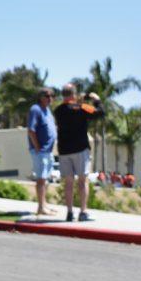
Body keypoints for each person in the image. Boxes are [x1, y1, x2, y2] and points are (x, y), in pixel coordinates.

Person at [53, 85, 104, 222]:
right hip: (80, 149)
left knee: (68, 183)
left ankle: (69, 213)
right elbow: (99, 112)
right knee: (82, 181)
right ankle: (83, 212)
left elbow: (69, 108)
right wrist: (96, 100)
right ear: (74, 94)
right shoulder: (81, 107)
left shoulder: (57, 110)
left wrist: (79, 101)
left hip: (64, 151)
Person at [26, 87, 57, 216]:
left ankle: (44, 205)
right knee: (41, 179)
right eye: (47, 96)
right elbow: (31, 130)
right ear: (40, 97)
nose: (50, 98)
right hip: (40, 151)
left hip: (47, 151)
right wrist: (37, 147)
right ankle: (40, 208)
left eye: (51, 96)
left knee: (45, 179)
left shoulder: (48, 111)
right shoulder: (36, 109)